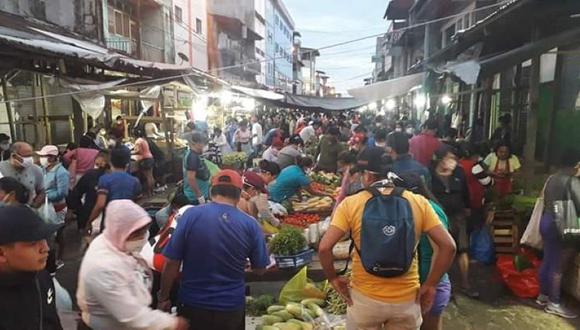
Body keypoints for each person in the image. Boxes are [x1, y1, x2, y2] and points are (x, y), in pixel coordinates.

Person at [318, 160, 456, 330]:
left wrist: (333, 278)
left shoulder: (351, 203)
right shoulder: (419, 202)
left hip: (364, 299)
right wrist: (431, 285)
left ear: (368, 175)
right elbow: (449, 247)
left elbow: (324, 247)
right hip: (406, 300)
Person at [158, 170, 269, 330]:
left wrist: (163, 297)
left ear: (211, 191)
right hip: (230, 307)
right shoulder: (250, 224)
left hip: (193, 305)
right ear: (239, 194)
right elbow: (260, 269)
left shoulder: (190, 215)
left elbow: (171, 262)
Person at [77, 200, 188, 330]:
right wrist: (172, 323)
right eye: (137, 234)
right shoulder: (103, 267)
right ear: (120, 231)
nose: (143, 237)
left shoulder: (115, 242)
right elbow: (131, 315)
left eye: (144, 231)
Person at [396, 173, 452, 330]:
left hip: (429, 286)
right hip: (419, 284)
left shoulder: (429, 210)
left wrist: (430, 285)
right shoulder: (409, 208)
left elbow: (443, 249)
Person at [0, 206, 64, 330]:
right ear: (2, 253)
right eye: (33, 243)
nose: (46, 248)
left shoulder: (41, 277)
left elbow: (51, 321)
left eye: (44, 239)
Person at [430, 144, 477, 298]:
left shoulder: (459, 173)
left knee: (462, 250)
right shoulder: (430, 174)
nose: (453, 161)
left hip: (458, 216)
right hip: (439, 218)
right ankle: (442, 284)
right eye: (450, 158)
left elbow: (465, 192)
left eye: (454, 158)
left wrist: (468, 207)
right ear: (441, 159)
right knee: (443, 249)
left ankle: (465, 284)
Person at [536, 163, 580, 319]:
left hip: (547, 220)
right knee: (558, 267)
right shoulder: (572, 181)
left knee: (548, 260)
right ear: (576, 164)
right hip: (562, 224)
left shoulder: (552, 178)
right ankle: (554, 303)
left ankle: (543, 296)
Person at [86, 147, 142, 234]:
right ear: (127, 164)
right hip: (128, 223)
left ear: (110, 162)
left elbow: (100, 205)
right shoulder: (135, 181)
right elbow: (136, 202)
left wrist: (89, 221)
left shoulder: (104, 179)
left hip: (109, 223)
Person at [37, 145, 69, 269]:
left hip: (57, 208)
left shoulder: (61, 172)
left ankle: (59, 258)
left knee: (58, 233)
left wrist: (45, 196)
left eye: (43, 157)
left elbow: (62, 192)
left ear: (51, 158)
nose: (41, 159)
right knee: (48, 234)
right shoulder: (42, 169)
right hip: (45, 207)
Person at [68, 152, 109, 232]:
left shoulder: (91, 175)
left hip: (89, 217)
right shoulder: (123, 179)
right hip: (111, 221)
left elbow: (75, 195)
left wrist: (80, 212)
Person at [458, 143, 493, 232]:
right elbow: (487, 182)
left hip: (459, 201)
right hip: (474, 201)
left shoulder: (457, 164)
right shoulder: (474, 166)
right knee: (475, 227)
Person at [0, 142, 45, 208]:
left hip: (27, 211)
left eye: (31, 156)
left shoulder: (36, 169)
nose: (30, 159)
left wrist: (34, 206)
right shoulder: (1, 168)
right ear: (14, 156)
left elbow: (42, 191)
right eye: (26, 156)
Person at [183, 131, 211, 205]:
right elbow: (191, 178)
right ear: (196, 143)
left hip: (202, 192)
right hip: (194, 196)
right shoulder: (192, 157)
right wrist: (199, 196)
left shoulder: (195, 154)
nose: (205, 146)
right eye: (203, 143)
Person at [133, 128, 155, 197]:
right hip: (150, 158)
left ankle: (148, 193)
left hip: (145, 159)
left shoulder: (138, 141)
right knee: (151, 176)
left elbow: (138, 151)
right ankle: (152, 192)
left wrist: (130, 152)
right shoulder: (143, 140)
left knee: (147, 177)